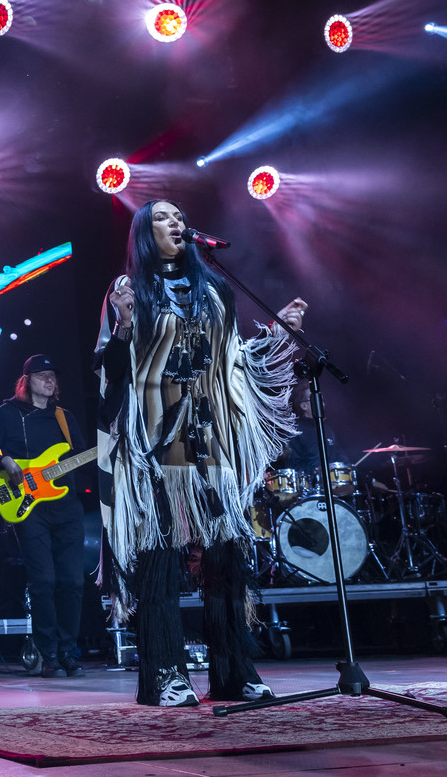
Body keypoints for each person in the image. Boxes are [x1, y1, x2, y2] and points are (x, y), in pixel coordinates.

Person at [95, 200, 307, 706]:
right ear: (143, 233)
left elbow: (235, 362)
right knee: (160, 562)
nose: (175, 222)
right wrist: (123, 327)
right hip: (155, 444)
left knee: (227, 559)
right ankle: (165, 675)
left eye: (178, 216)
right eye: (161, 218)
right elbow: (109, 374)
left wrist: (277, 335)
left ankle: (235, 672)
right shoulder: (128, 290)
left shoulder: (214, 290)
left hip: (211, 441)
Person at [0, 354, 89, 677]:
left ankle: (68, 651)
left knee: (72, 581)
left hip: (66, 507)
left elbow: (81, 455)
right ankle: (49, 654)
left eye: (53, 375)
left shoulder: (64, 417)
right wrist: (4, 461)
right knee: (44, 581)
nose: (50, 380)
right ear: (27, 381)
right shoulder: (5, 414)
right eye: (43, 375)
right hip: (29, 507)